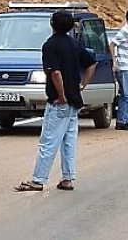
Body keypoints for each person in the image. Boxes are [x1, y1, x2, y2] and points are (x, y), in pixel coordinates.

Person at [15, 11, 97, 192]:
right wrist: (83, 84)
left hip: (60, 102)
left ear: (52, 23)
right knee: (68, 141)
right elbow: (92, 63)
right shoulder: (75, 45)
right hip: (75, 101)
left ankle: (38, 179)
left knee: (48, 141)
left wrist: (61, 95)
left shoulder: (50, 46)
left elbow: (55, 73)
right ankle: (68, 178)